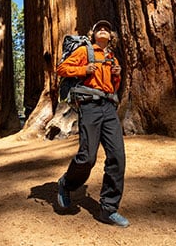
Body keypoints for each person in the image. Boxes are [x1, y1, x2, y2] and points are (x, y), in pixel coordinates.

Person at [56, 19, 129, 228]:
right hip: (89, 106)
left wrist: (117, 75)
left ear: (111, 36)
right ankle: (67, 183)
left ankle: (109, 208)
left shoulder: (112, 58)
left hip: (108, 107)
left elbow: (113, 87)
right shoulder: (84, 51)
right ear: (93, 34)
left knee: (117, 157)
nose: (104, 30)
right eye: (99, 29)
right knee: (87, 157)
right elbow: (61, 68)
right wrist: (82, 70)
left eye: (107, 29)